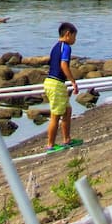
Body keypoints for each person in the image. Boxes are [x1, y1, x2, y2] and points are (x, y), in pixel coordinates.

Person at [44, 22, 79, 152]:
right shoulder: (66, 47)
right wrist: (73, 82)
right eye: (74, 37)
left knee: (67, 111)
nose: (75, 40)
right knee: (56, 115)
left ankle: (67, 139)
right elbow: (64, 65)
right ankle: (50, 145)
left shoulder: (55, 47)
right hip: (56, 83)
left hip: (53, 82)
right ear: (67, 34)